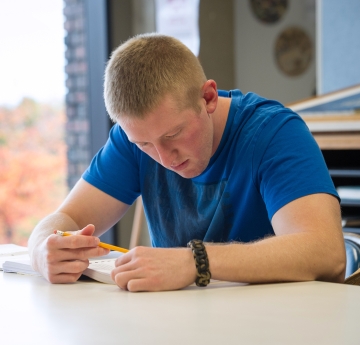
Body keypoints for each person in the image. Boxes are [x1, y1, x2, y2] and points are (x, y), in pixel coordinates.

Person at [28, 33, 346, 291]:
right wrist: (43, 248)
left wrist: (195, 262)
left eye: (174, 134)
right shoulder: (131, 142)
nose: (165, 158)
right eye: (144, 144)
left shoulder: (274, 133)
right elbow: (66, 218)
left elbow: (325, 253)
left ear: (207, 98)